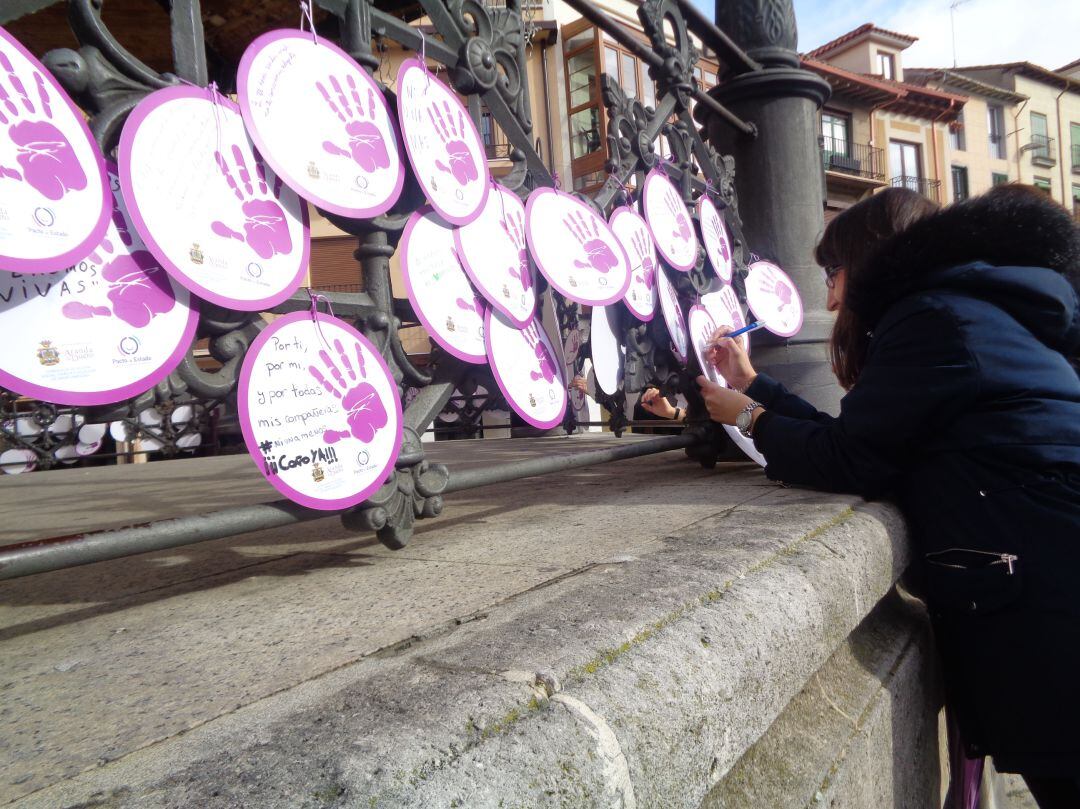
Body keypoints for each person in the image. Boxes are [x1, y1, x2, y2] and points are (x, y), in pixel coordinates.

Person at [697, 185, 1080, 808]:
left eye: (834, 271)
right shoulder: (968, 310)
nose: (830, 296)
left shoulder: (935, 319)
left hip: (1048, 614)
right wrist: (753, 385)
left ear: (871, 257)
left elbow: (849, 459)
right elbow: (867, 440)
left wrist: (749, 418)